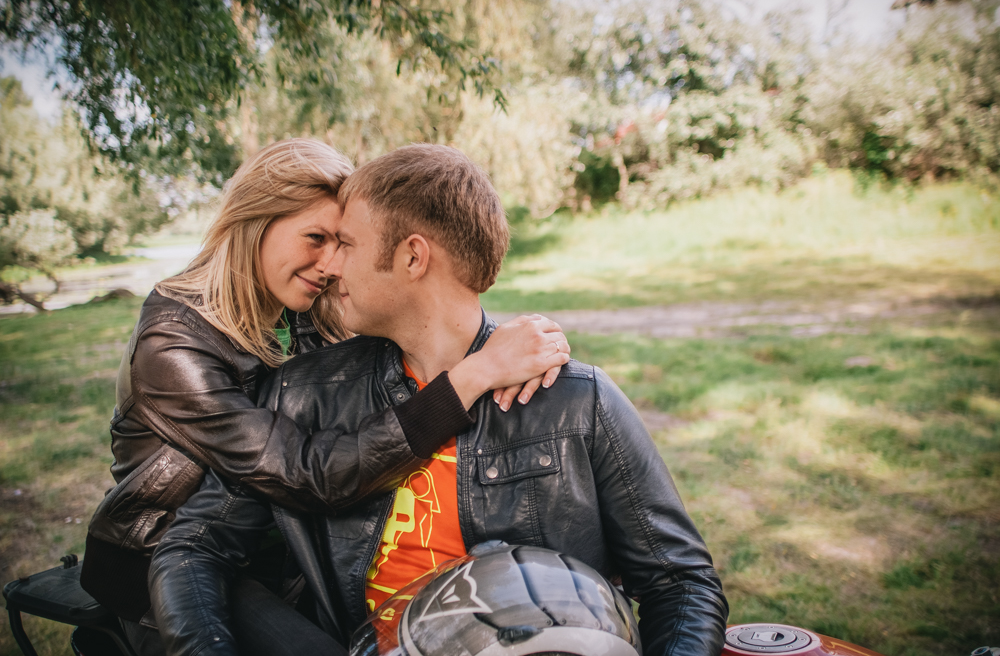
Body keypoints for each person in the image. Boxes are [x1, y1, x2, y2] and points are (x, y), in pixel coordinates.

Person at [149, 144, 729, 656]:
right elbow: (196, 547)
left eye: (346, 242)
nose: (332, 267)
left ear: (412, 257)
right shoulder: (308, 392)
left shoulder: (576, 402)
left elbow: (680, 583)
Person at [80, 139, 571, 656]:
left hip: (278, 545)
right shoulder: (172, 345)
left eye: (341, 242)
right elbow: (300, 471)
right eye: (315, 238)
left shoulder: (300, 311)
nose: (331, 262)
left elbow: (421, 326)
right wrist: (474, 376)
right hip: (170, 559)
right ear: (254, 223)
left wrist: (522, 344)